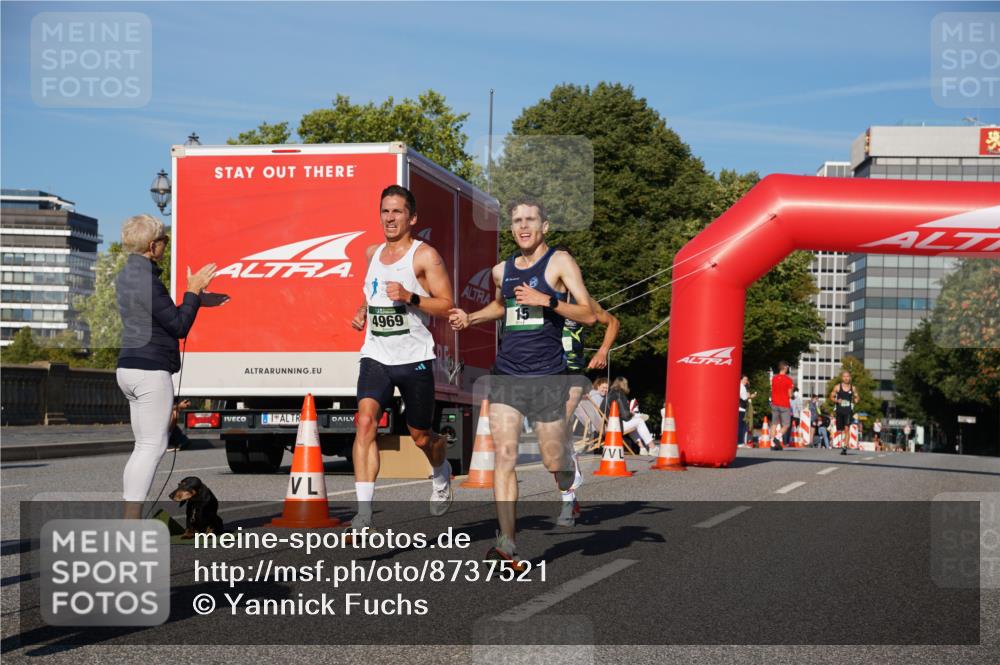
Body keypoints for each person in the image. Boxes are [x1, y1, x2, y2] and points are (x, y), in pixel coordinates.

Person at [449, 196, 597, 567]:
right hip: (507, 375)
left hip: (547, 376)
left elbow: (589, 315)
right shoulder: (502, 270)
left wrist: (547, 301)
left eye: (530, 220)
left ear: (545, 226)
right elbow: (503, 307)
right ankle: (507, 544)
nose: (523, 226)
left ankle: (569, 483)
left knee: (552, 459)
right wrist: (472, 317)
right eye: (516, 221)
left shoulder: (559, 262)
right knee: (506, 456)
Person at [349, 185, 455, 531]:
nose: (390, 218)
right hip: (376, 354)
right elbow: (372, 290)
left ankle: (441, 470)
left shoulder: (426, 257)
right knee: (365, 422)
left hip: (414, 358)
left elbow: (446, 304)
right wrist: (363, 312)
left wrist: (410, 296)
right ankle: (364, 513)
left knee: (420, 436)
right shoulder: (371, 253)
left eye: (397, 212)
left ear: (412, 217)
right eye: (385, 211)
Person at [116, 214, 217, 519]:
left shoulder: (128, 275)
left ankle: (130, 517)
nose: (164, 245)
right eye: (163, 240)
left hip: (129, 367)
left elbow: (154, 314)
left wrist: (196, 299)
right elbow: (178, 325)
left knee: (143, 445)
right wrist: (193, 290)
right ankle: (130, 523)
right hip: (150, 369)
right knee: (152, 446)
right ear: (152, 245)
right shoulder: (146, 279)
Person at [606, 377, 656, 455]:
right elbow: (625, 416)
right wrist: (632, 414)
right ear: (624, 385)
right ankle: (652, 448)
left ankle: (642, 448)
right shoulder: (620, 394)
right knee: (639, 421)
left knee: (635, 422)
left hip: (611, 424)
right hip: (616, 426)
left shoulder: (610, 393)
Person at [829, 370, 859, 456]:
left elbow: (857, 398)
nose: (846, 378)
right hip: (839, 411)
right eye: (844, 376)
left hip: (848, 411)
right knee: (839, 429)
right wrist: (836, 400)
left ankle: (845, 447)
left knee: (847, 429)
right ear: (842, 378)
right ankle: (839, 443)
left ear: (850, 378)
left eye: (847, 376)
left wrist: (855, 399)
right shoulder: (837, 387)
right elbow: (831, 396)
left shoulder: (853, 388)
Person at [770, 361, 794, 450]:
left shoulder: (774, 378)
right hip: (784, 404)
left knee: (774, 424)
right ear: (784, 367)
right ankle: (777, 437)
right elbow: (789, 394)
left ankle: (772, 444)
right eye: (787, 367)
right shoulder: (788, 380)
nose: (788, 368)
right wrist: (793, 396)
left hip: (775, 403)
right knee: (786, 425)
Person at [738, 375, 754, 447]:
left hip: (741, 408)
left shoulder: (741, 386)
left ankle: (739, 441)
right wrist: (751, 396)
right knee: (740, 426)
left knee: (740, 425)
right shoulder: (742, 387)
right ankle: (739, 442)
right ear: (741, 379)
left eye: (747, 380)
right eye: (744, 379)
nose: (746, 381)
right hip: (740, 408)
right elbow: (744, 397)